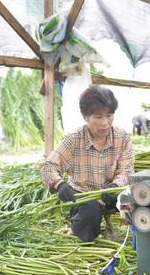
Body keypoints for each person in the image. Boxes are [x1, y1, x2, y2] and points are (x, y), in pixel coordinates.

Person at [40, 86, 134, 242]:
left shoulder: (122, 137)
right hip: (84, 198)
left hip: (113, 194)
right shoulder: (74, 139)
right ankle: (78, 226)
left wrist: (116, 185)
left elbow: (127, 169)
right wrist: (59, 184)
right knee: (90, 217)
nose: (105, 123)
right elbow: (48, 167)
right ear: (86, 117)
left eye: (109, 115)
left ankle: (131, 235)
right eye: (98, 117)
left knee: (142, 198)